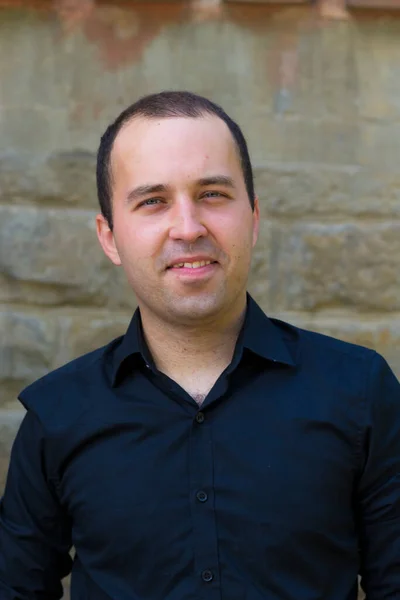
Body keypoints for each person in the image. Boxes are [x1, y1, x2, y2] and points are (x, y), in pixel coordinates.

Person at [0, 91, 399, 600]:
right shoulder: (57, 417)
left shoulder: (360, 392)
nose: (187, 228)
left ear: (253, 218)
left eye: (212, 194)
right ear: (109, 237)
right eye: (153, 201)